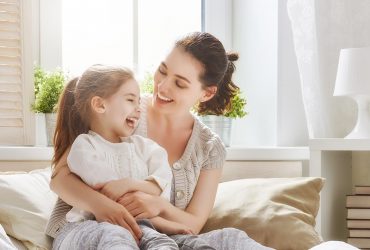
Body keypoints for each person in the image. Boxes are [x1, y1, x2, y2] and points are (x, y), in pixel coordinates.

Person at [46, 32, 273, 249]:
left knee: (231, 239)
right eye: (162, 71)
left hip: (160, 239)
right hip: (91, 229)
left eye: (180, 83)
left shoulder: (209, 148)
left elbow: (192, 224)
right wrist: (103, 206)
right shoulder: (122, 111)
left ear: (207, 93)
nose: (163, 86)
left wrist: (158, 204)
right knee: (116, 236)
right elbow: (59, 179)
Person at [56, 64, 193, 250]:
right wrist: (158, 221)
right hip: (91, 225)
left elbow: (161, 182)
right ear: (100, 104)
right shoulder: (84, 146)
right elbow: (111, 192)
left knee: (162, 242)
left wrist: (130, 183)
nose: (139, 109)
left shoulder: (143, 147)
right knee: (119, 236)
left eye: (139, 102)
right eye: (130, 100)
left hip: (141, 226)